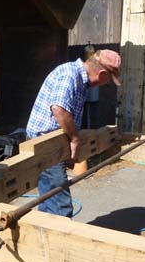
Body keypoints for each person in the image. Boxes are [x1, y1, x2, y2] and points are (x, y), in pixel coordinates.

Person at [26, 50, 121, 217]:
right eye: (108, 81)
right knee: (60, 206)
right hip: (45, 143)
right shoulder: (70, 74)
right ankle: (61, 238)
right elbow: (59, 108)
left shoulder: (80, 81)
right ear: (103, 73)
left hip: (54, 142)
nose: (105, 84)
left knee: (50, 198)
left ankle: (45, 234)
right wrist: (75, 139)